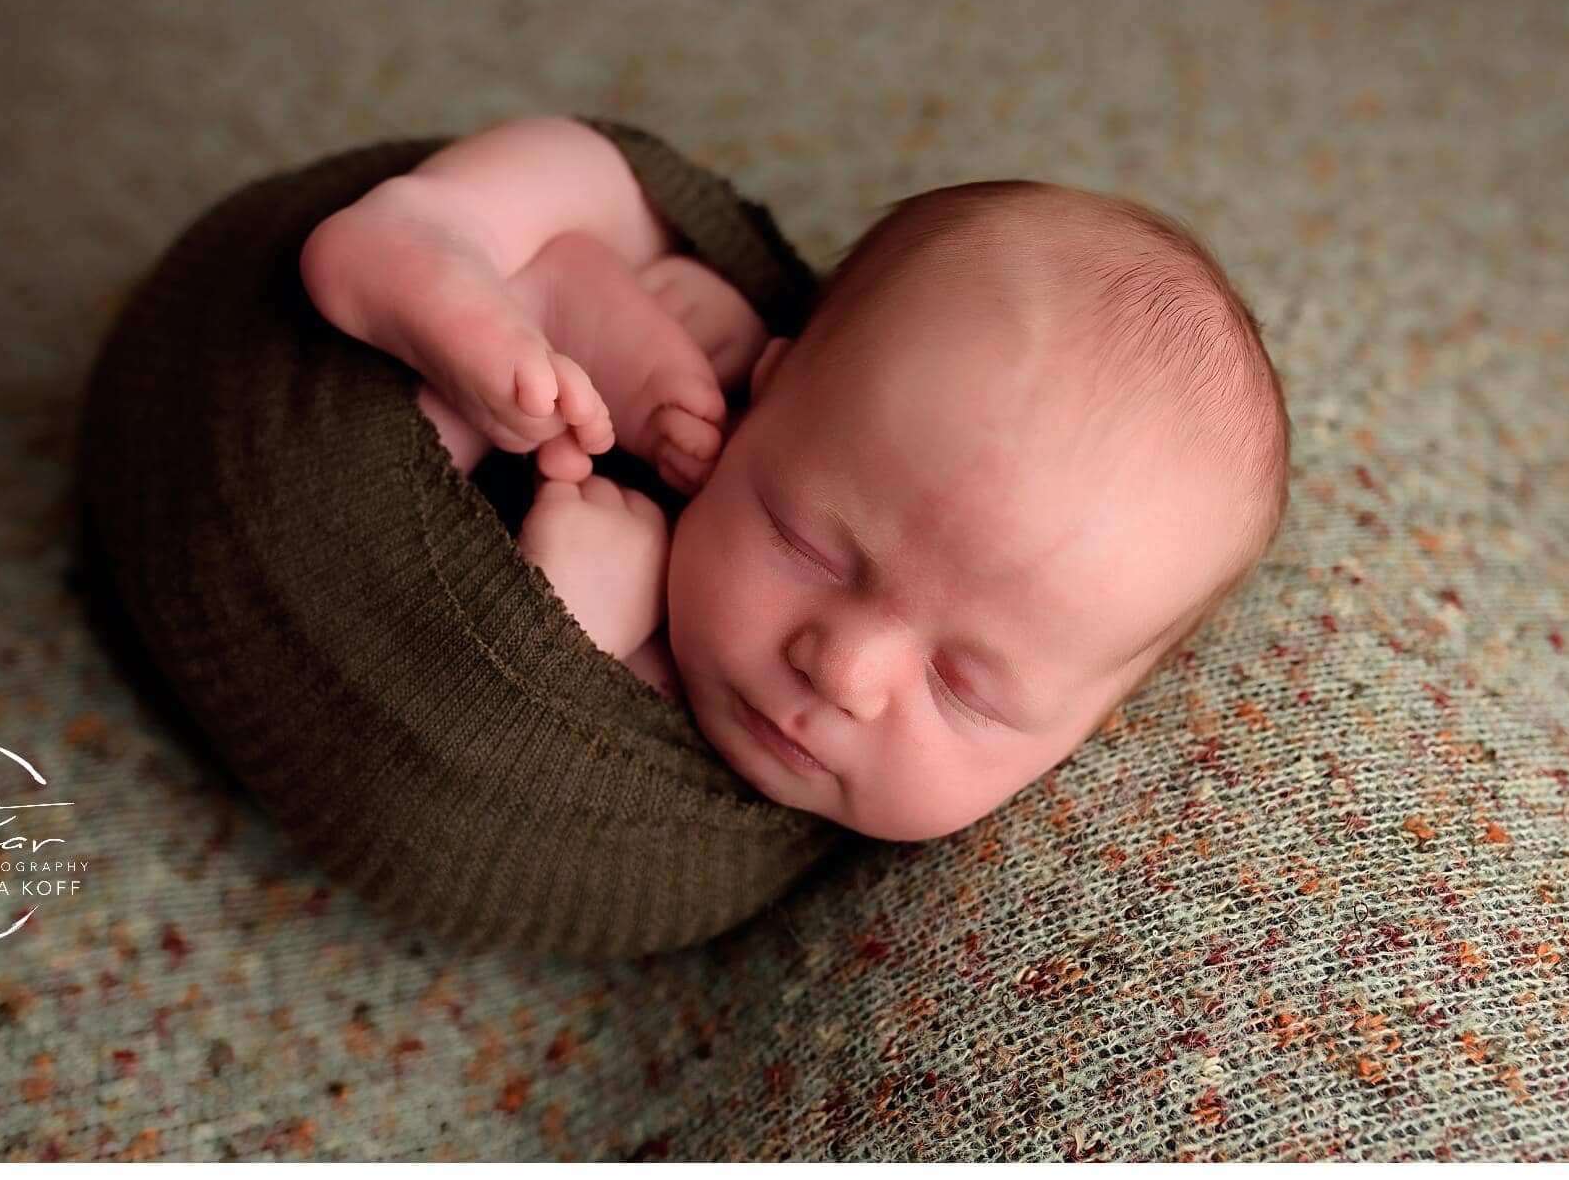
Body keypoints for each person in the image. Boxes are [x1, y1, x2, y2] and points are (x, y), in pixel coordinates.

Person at [298, 114, 1290, 841]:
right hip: (424, 349)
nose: (841, 671)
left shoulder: (717, 822)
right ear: (767, 386)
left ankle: (561, 302)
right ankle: (438, 228)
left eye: (963, 685)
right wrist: (679, 346)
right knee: (611, 180)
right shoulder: (777, 397)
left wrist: (560, 627)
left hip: (429, 506)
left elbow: (409, 784)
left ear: (1085, 720)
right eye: (805, 540)